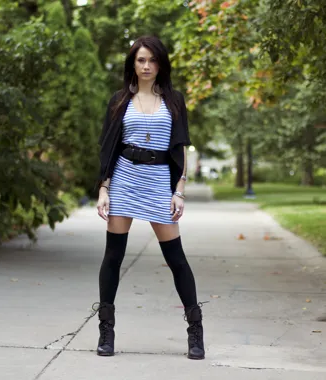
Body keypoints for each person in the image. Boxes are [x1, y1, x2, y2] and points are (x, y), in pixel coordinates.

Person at [94, 35, 205, 360]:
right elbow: (108, 147)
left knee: (176, 259)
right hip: (125, 179)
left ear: (161, 64)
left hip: (158, 182)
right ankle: (106, 329)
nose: (146, 66)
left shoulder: (174, 100)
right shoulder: (118, 101)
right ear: (133, 64)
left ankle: (195, 331)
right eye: (140, 60)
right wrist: (103, 187)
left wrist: (179, 191)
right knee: (113, 256)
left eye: (152, 60)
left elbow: (180, 147)